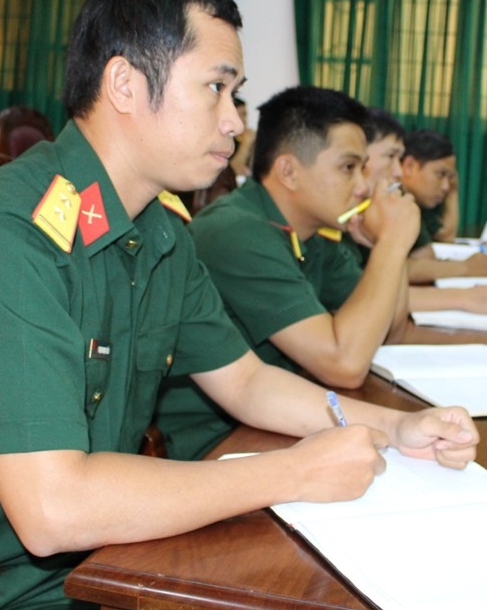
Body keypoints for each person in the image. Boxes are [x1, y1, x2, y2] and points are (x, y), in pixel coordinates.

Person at [0, 0, 479, 610]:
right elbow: (52, 508)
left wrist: (392, 428)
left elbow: (246, 382)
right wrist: (291, 474)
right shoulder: (4, 235)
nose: (235, 122)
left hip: (101, 560)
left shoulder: (159, 233)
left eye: (235, 94)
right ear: (124, 83)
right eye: (216, 88)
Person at [153, 86, 424, 460]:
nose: (363, 187)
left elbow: (391, 330)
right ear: (289, 171)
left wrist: (389, 248)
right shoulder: (235, 232)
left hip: (277, 418)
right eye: (348, 167)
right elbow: (344, 364)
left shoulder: (315, 234)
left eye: (363, 169)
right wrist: (393, 242)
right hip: (211, 442)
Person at [354, 110, 487, 315]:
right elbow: (364, 297)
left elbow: (426, 253)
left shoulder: (400, 201)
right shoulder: (359, 216)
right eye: (440, 175)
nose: (398, 172)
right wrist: (465, 280)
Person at [399, 129, 487, 286]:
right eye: (440, 174)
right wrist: (467, 267)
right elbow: (402, 268)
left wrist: (453, 191)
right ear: (409, 166)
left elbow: (443, 240)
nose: (446, 186)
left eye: (450, 177)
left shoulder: (417, 201)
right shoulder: (395, 200)